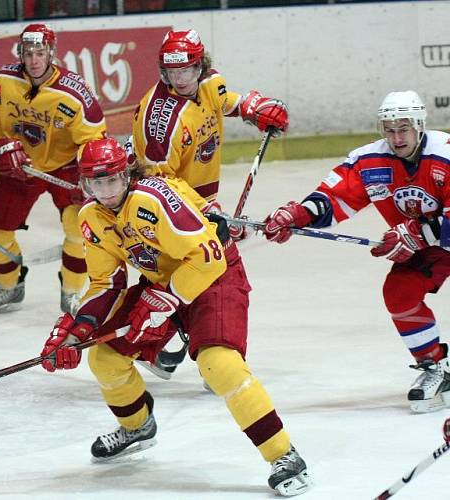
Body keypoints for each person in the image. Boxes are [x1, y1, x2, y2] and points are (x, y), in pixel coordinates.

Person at [39, 138, 311, 496]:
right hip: (163, 283)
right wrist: (77, 331)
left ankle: (284, 455)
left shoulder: (153, 199)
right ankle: (137, 427)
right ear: (85, 184)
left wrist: (166, 299)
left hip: (215, 275)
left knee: (220, 365)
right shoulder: (90, 217)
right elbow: (106, 282)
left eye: (112, 180)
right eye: (95, 183)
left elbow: (208, 257)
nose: (105, 191)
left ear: (127, 175)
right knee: (105, 357)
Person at [262, 90, 450, 414]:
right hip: (429, 247)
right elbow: (333, 199)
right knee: (399, 292)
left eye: (403, 129)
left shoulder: (445, 155)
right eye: (389, 130)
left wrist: (418, 232)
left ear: (419, 126)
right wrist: (298, 215)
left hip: (429, 237)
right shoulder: (370, 162)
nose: (396, 137)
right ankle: (436, 367)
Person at [130, 29, 289, 378]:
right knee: (215, 271)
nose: (179, 79)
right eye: (172, 73)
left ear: (201, 66)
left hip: (197, 199)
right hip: (167, 209)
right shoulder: (161, 126)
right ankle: (216, 355)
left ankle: (154, 345)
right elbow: (158, 186)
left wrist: (251, 107)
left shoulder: (209, 82)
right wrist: (205, 215)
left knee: (195, 274)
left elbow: (222, 100)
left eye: (186, 70)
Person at [0, 23, 106, 315]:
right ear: (20, 53)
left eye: (40, 53)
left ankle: (71, 291)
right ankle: (10, 286)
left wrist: (89, 173)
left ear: (51, 54)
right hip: (24, 166)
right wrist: (4, 143)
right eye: (28, 52)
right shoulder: (4, 81)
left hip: (68, 167)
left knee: (78, 228)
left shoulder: (74, 93)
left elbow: (94, 137)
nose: (34, 60)